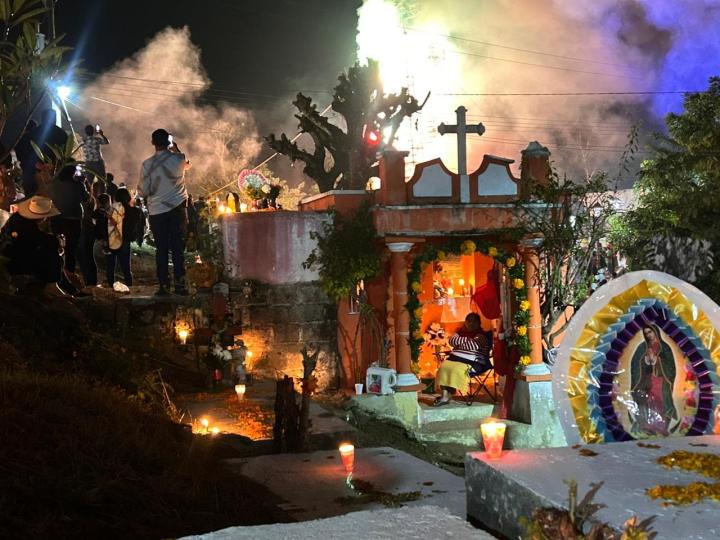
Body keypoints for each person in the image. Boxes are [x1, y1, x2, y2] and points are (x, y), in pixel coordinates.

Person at [138, 129, 191, 296]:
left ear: (152, 143)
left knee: (161, 249)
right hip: (178, 210)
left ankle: (164, 286)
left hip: (157, 211)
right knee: (178, 249)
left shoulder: (147, 164)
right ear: (169, 142)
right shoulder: (179, 158)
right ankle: (180, 285)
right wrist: (176, 149)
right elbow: (187, 165)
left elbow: (143, 191)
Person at [0, 196, 65, 296]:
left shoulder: (17, 218)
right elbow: (43, 240)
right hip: (14, 261)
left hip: (12, 254)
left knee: (49, 251)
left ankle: (54, 284)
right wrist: (58, 241)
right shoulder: (25, 225)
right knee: (51, 254)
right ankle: (51, 286)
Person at [433, 313, 491, 406]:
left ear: (479, 323)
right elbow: (451, 341)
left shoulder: (481, 335)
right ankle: (445, 396)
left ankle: (448, 394)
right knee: (443, 367)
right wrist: (468, 339)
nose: (471, 323)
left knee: (455, 369)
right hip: (455, 359)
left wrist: (459, 342)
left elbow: (472, 346)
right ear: (465, 322)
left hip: (473, 363)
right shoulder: (460, 332)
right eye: (469, 321)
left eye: (474, 321)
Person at [630, 324, 678, 436]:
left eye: (650, 332)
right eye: (646, 333)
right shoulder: (642, 347)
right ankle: (648, 426)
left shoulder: (664, 347)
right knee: (648, 401)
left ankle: (662, 427)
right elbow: (635, 363)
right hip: (646, 380)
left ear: (655, 331)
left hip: (661, 381)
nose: (648, 335)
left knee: (661, 401)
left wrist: (657, 360)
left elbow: (671, 365)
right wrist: (645, 360)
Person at [15, 111, 68, 196]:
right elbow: (65, 155)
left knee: (33, 199)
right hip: (55, 174)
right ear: (54, 119)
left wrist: (35, 164)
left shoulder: (32, 133)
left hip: (33, 174)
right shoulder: (62, 134)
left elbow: (23, 153)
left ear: (42, 119)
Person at [49, 165, 89, 275]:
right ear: (73, 173)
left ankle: (56, 271)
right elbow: (86, 198)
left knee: (56, 245)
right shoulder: (78, 185)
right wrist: (83, 183)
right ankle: (69, 273)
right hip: (73, 219)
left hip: (57, 217)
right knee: (71, 249)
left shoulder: (55, 184)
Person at [105, 187, 141, 287]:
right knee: (126, 268)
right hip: (125, 240)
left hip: (112, 239)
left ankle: (111, 287)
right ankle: (129, 286)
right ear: (128, 197)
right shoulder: (134, 211)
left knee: (110, 267)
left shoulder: (112, 210)